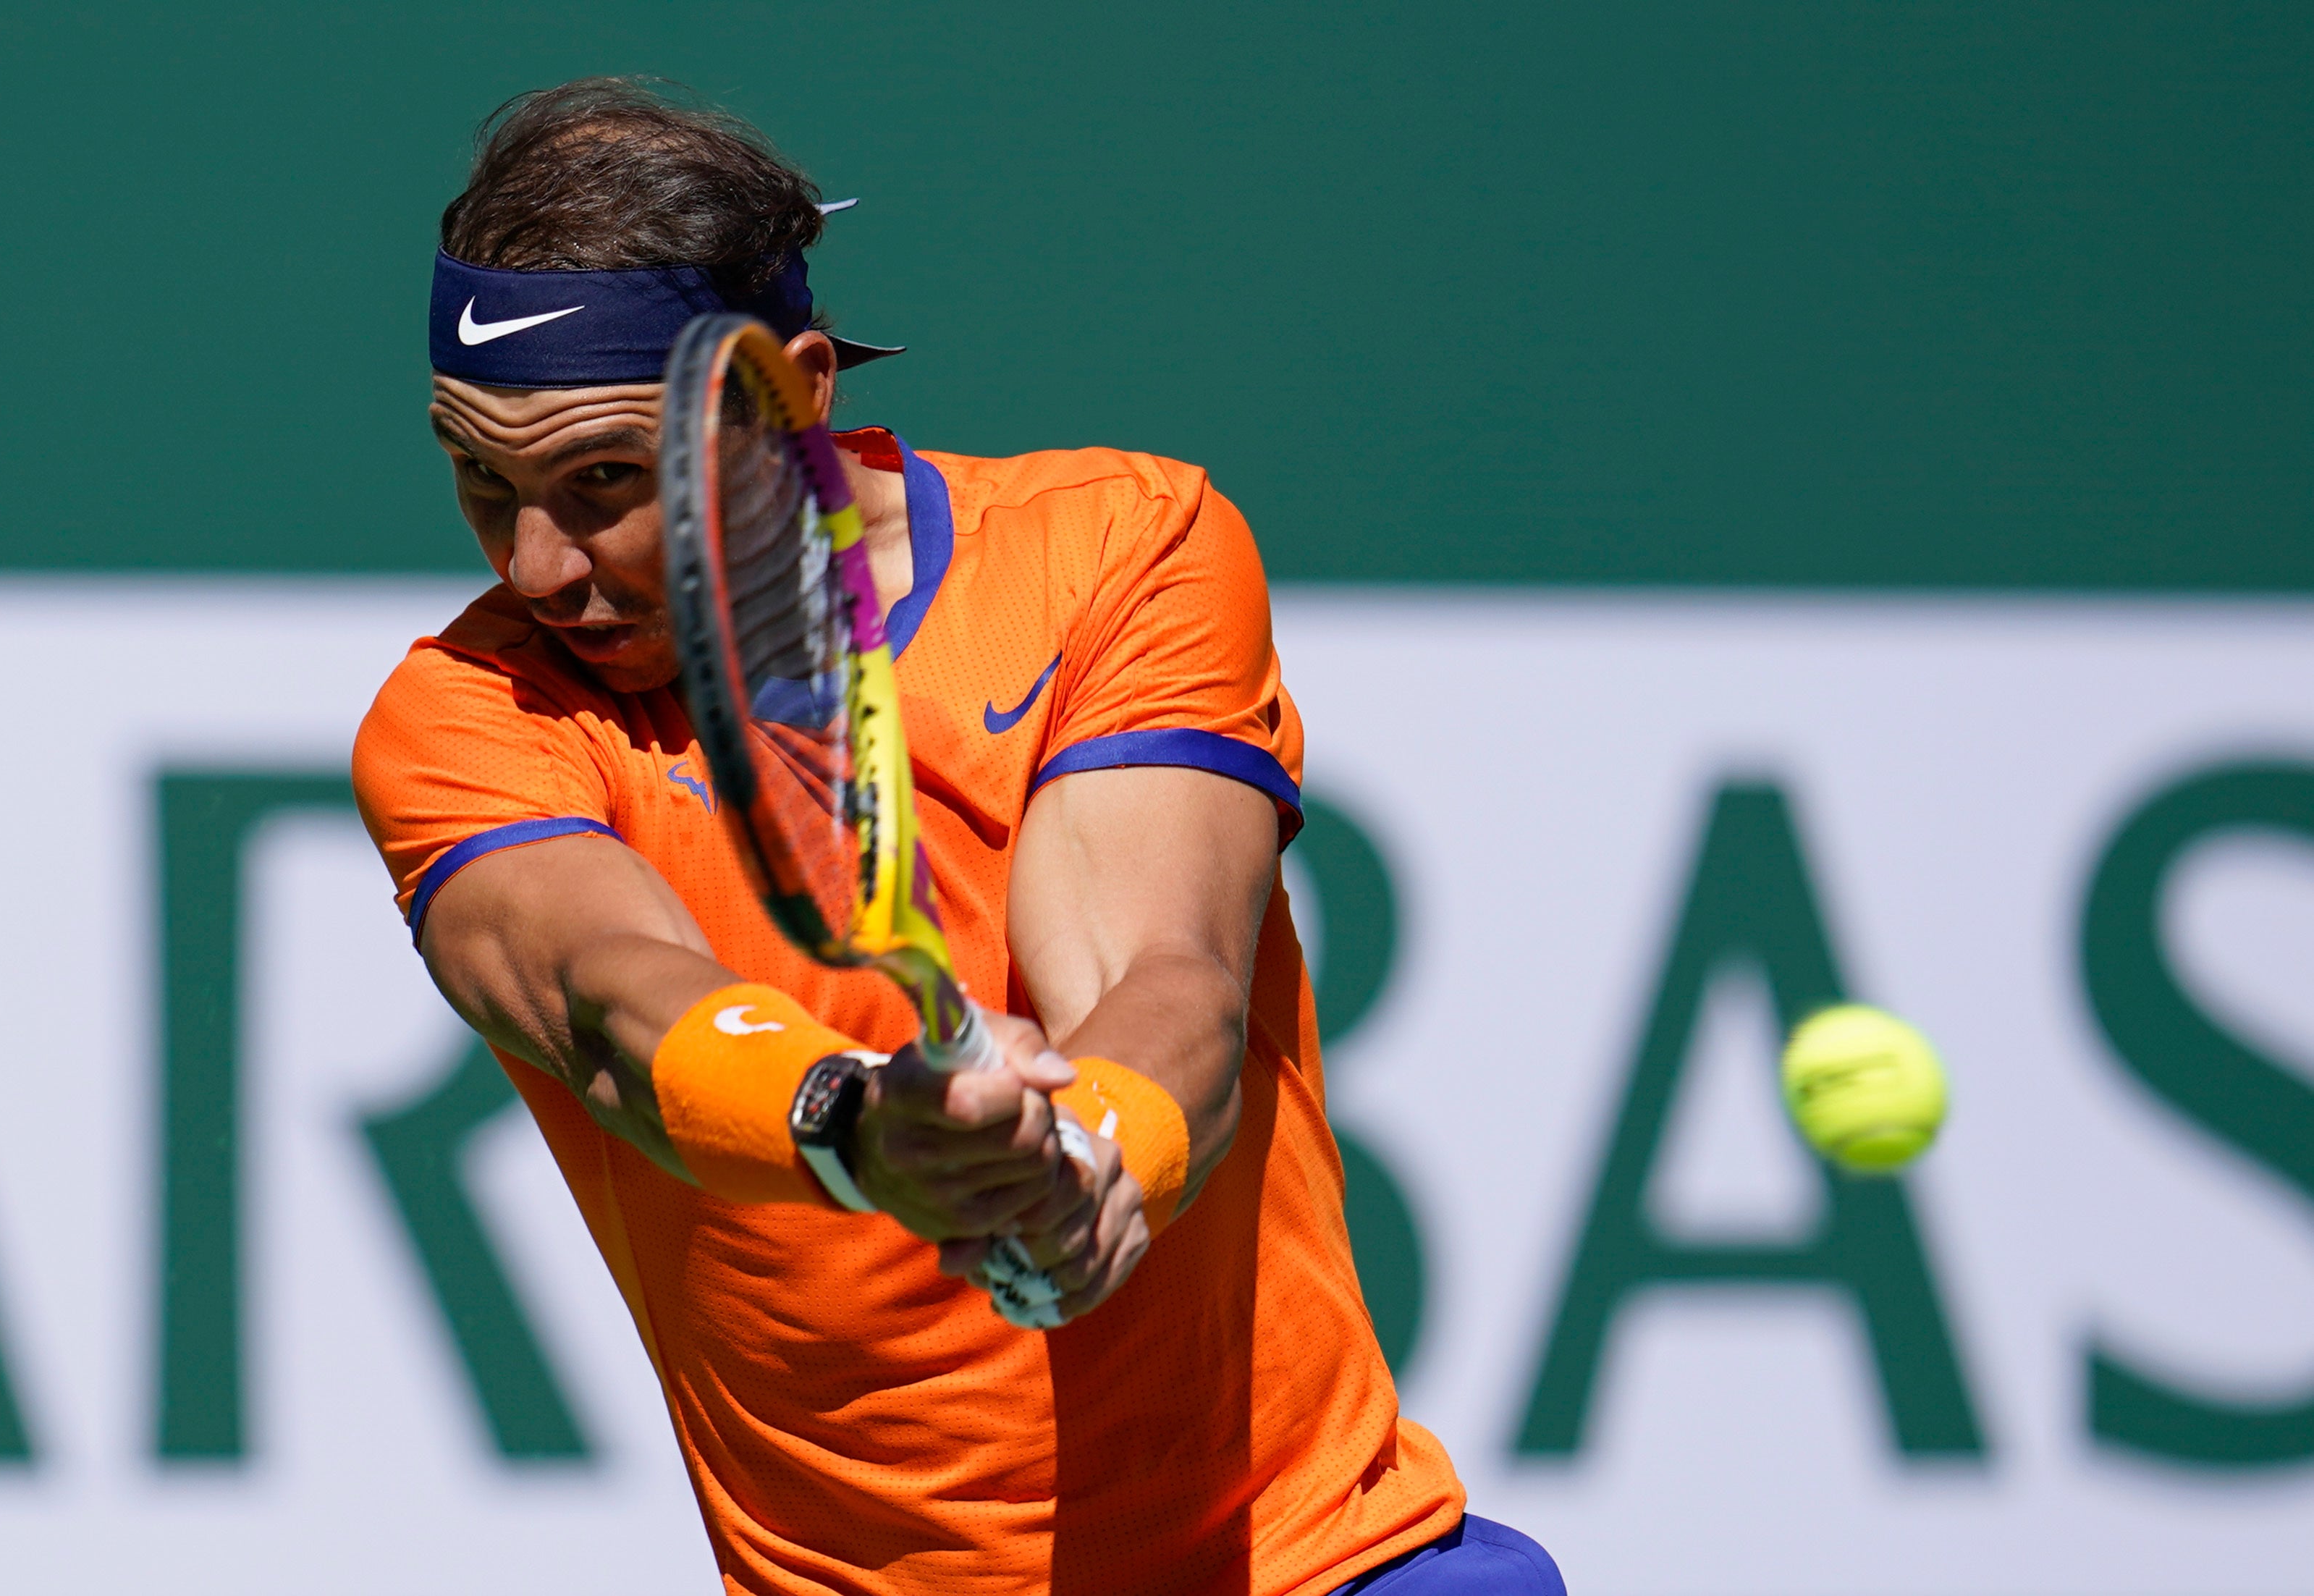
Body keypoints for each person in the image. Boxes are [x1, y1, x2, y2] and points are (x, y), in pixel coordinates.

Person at [353, 77, 1561, 1596]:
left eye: (603, 482)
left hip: (1311, 1563)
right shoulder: (462, 716)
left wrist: (1091, 1147)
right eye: (483, 478)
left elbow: (1159, 965)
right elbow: (609, 999)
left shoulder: (1123, 547)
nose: (540, 566)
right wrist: (853, 1123)